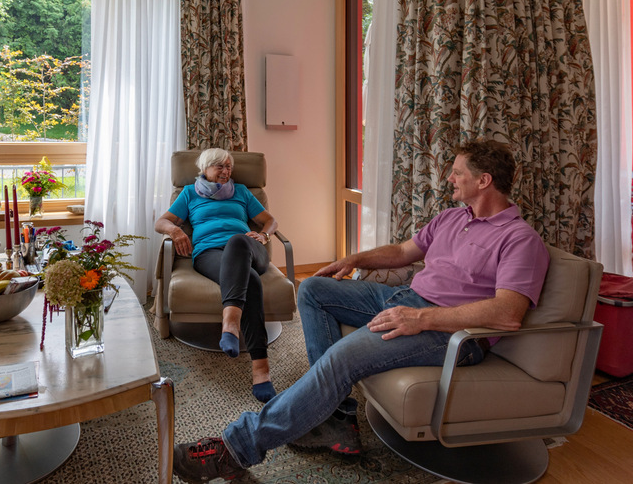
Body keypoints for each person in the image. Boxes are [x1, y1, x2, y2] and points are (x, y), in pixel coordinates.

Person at [171, 139, 551, 483]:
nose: (449, 177)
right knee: (316, 288)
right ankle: (335, 417)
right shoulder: (453, 217)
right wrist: (350, 259)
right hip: (405, 300)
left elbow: (507, 313)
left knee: (342, 358)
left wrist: (421, 318)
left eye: (458, 171)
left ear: (483, 180)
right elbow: (404, 253)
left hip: (450, 333)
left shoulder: (519, 239)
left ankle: (233, 450)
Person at [155, 148, 279, 403]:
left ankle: (230, 323)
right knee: (251, 281)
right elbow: (161, 222)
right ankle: (261, 368)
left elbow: (270, 221)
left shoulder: (242, 192)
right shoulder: (189, 193)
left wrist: (264, 235)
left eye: (229, 167)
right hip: (209, 254)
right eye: (220, 167)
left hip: (250, 249)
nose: (226, 171)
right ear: (205, 169)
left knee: (237, 241)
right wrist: (176, 232)